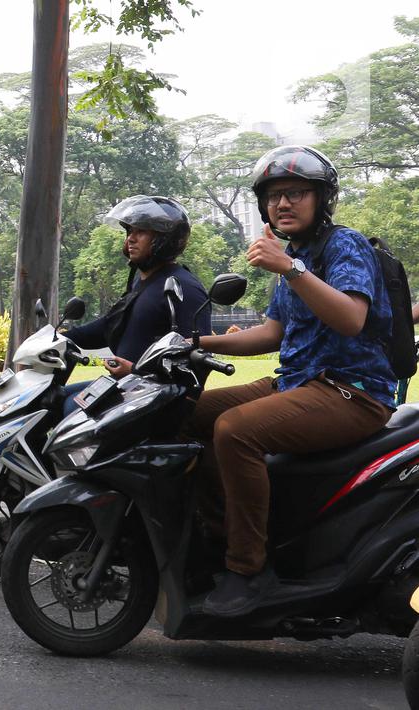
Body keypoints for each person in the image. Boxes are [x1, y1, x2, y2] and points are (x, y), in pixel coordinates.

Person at [187, 145, 394, 617]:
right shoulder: (295, 256)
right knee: (185, 413)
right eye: (274, 196)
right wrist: (195, 341)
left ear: (322, 199)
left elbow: (352, 319)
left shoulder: (344, 245)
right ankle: (216, 536)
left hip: (352, 391)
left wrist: (292, 269)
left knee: (236, 430)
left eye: (297, 193)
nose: (283, 203)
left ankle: (249, 570)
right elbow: (273, 334)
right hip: (298, 383)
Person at [62, 195, 211, 414]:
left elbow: (198, 356)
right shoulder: (140, 281)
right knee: (52, 399)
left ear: (165, 239)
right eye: (129, 231)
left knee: (70, 409)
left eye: (140, 231)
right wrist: (62, 338)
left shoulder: (183, 287)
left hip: (152, 396)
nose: (130, 238)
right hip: (127, 386)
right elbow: (111, 324)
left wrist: (136, 370)